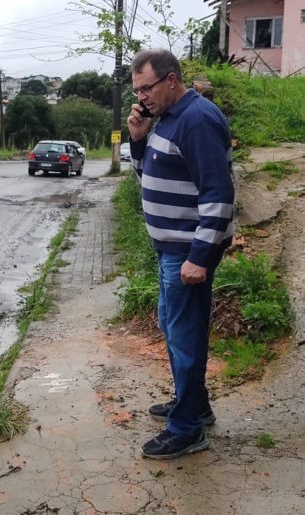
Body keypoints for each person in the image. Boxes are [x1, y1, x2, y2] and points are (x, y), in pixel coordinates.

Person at [126, 49, 235, 460]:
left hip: (187, 251)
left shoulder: (197, 119)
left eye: (147, 88)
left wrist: (200, 257)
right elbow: (151, 177)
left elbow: (219, 194)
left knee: (184, 337)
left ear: (172, 80)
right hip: (171, 248)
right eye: (137, 90)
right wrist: (138, 142)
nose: (142, 97)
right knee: (175, 330)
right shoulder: (168, 119)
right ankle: (195, 406)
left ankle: (187, 429)